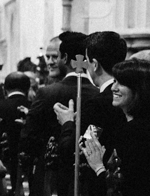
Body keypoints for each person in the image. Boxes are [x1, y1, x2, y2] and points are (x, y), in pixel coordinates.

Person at [80, 58, 150, 196]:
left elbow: (120, 190)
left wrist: (97, 166)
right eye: (115, 81)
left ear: (140, 90)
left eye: (122, 83)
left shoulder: (133, 132)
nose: (113, 87)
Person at [20, 31, 107, 179]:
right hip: (90, 174)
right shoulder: (99, 93)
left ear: (65, 58)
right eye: (47, 57)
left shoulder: (46, 94)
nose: (50, 62)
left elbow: (28, 141)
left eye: (55, 56)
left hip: (52, 175)